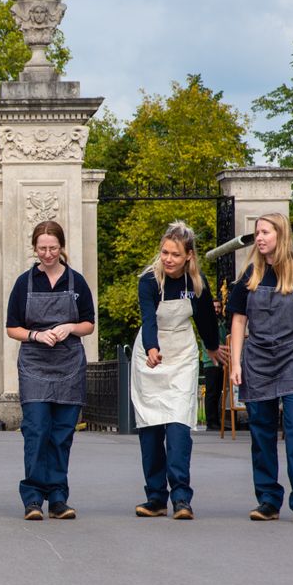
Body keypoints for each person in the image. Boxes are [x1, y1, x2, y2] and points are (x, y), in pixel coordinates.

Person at [228, 212, 293, 524]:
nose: (259, 238)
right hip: (258, 360)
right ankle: (268, 500)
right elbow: (238, 321)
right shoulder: (249, 277)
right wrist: (235, 363)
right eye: (257, 233)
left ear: (280, 236)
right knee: (261, 432)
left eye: (265, 233)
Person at [130, 222, 223, 520]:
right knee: (151, 428)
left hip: (182, 355)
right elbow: (149, 318)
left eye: (174, 254)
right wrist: (153, 348)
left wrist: (212, 347)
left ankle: (182, 497)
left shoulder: (197, 284)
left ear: (189, 257)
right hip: (150, 355)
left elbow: (206, 318)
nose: (168, 259)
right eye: (164, 252)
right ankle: (155, 498)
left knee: (179, 425)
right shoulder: (149, 280)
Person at [6, 221, 95, 520]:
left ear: (62, 247)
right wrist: (35, 335)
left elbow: (88, 324)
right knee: (36, 430)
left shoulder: (76, 282)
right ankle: (32, 497)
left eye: (53, 248)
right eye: (42, 248)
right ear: (35, 248)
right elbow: (12, 328)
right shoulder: (24, 283)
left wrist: (69, 327)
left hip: (69, 363)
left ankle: (58, 497)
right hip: (34, 363)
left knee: (61, 434)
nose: (47, 254)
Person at [200, 299, 228, 432]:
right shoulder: (207, 322)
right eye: (214, 307)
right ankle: (211, 422)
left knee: (218, 393)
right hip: (210, 362)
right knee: (211, 393)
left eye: (218, 307)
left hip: (221, 361)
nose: (216, 309)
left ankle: (217, 421)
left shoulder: (222, 323)